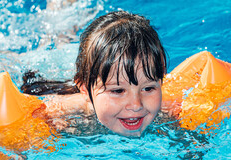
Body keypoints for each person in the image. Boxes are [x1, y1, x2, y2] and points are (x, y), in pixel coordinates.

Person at [23, 11, 167, 137]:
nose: (136, 105)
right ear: (85, 89)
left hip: (98, 73)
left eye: (148, 88)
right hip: (49, 79)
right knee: (51, 45)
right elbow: (32, 116)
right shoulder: (68, 112)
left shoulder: (166, 108)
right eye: (118, 90)